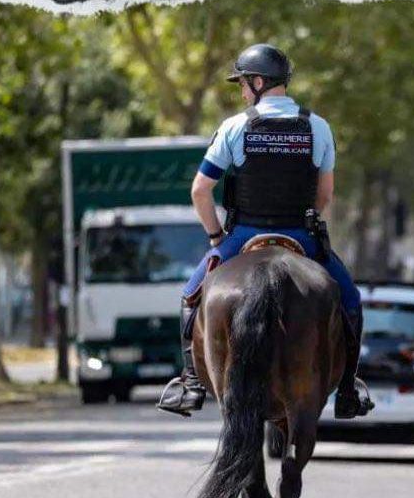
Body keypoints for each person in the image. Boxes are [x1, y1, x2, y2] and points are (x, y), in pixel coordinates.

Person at [157, 43, 374, 421]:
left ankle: (191, 381)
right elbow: (325, 195)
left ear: (258, 82)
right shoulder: (317, 127)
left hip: (244, 235)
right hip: (300, 235)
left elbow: (200, 190)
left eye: (242, 84)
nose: (242, 92)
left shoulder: (235, 127)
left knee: (190, 296)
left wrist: (216, 238)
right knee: (351, 300)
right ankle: (349, 388)